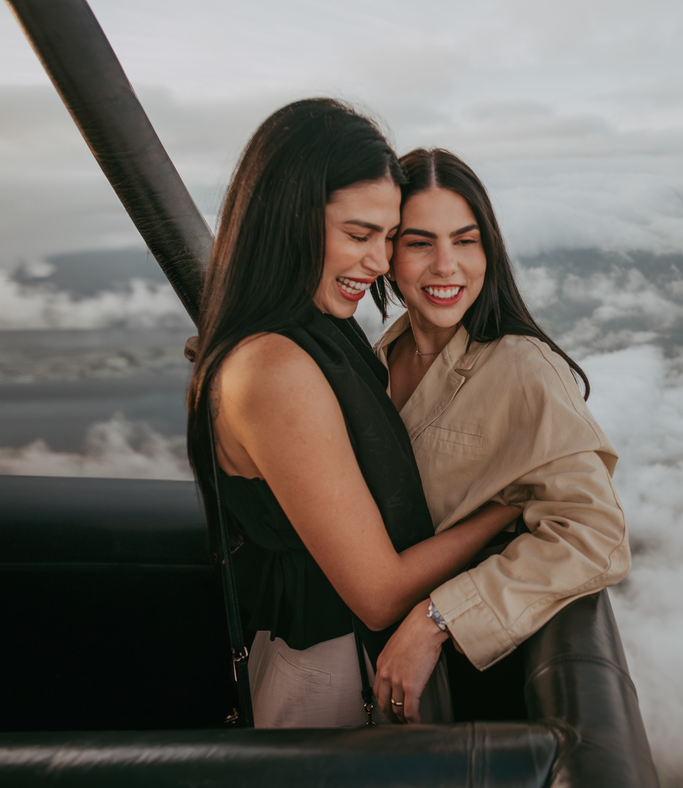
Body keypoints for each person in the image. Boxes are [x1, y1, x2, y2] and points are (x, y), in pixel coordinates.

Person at [185, 101, 519, 729]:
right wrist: (506, 506)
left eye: (389, 238)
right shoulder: (274, 368)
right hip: (330, 681)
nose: (380, 263)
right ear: (288, 221)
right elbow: (379, 594)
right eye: (359, 235)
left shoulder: (313, 329)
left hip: (346, 664)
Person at [370, 149, 631, 724]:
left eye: (465, 241)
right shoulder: (385, 352)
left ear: (488, 249)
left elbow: (595, 534)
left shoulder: (523, 367)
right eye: (420, 243)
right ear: (388, 254)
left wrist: (438, 618)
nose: (446, 265)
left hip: (461, 686)